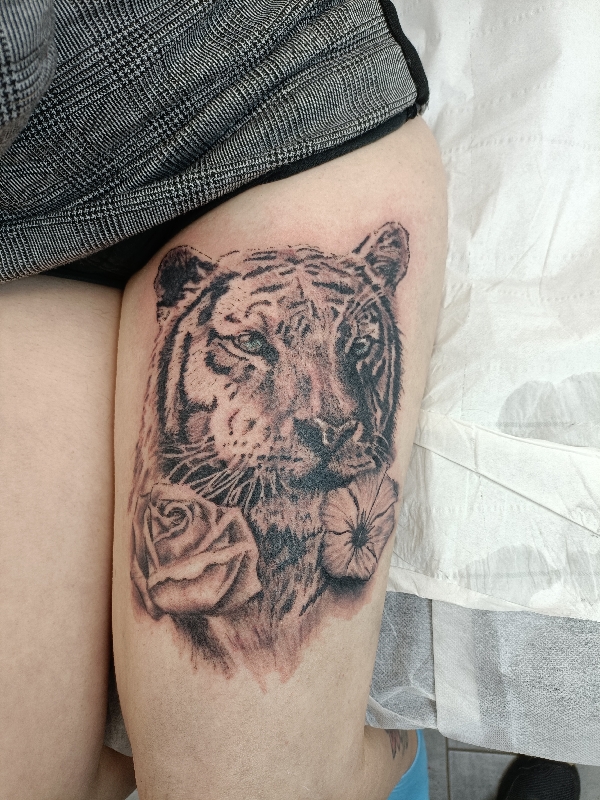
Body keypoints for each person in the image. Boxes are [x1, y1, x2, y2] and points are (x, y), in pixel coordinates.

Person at [0, 2, 447, 798]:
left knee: (239, 785)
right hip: (22, 228)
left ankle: (389, 754)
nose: (324, 414)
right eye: (256, 348)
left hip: (265, 105)